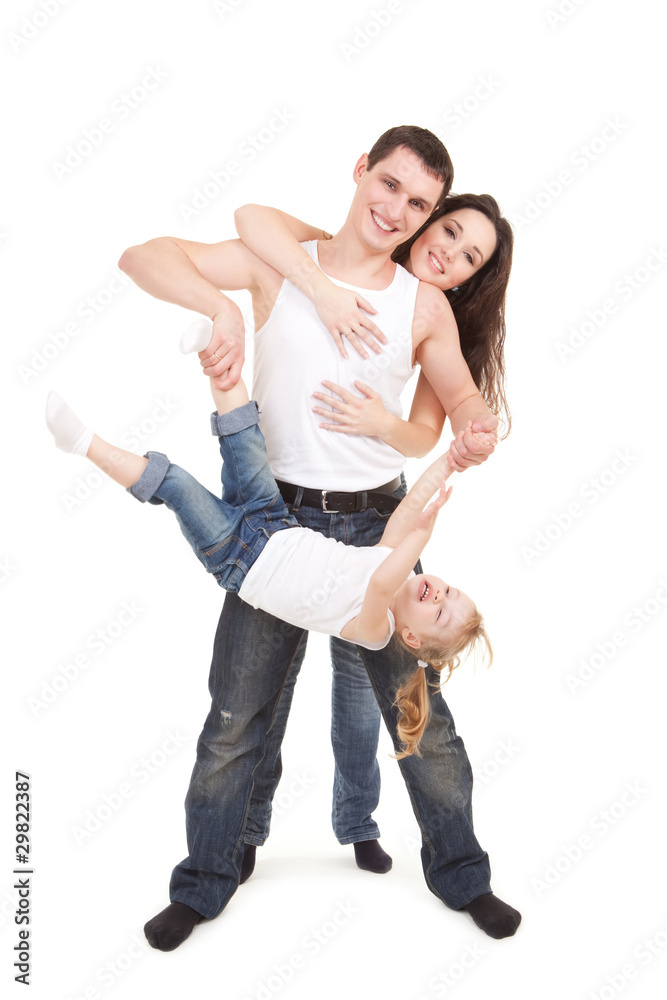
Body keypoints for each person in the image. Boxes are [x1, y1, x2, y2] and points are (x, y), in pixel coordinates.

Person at [117, 125, 521, 949]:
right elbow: (142, 255)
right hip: (275, 525)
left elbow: (456, 397)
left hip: (376, 529)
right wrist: (218, 303)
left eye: (420, 205)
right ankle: (206, 880)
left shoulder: (423, 303)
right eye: (392, 187)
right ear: (361, 170)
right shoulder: (280, 262)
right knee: (236, 718)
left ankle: (462, 875)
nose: (398, 211)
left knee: (420, 721)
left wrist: (476, 430)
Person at [45, 326, 492, 760]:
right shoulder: (387, 557)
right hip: (277, 523)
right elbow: (409, 508)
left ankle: (83, 443)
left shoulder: (377, 630)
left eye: (439, 610)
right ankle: (211, 350)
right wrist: (448, 464)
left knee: (176, 484)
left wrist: (422, 537)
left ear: (412, 636)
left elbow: (380, 583)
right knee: (245, 441)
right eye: (449, 592)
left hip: (240, 558)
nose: (439, 594)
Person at [233, 192, 513, 873]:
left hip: (377, 515)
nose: (447, 251)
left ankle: (399, 843)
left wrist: (467, 423)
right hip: (284, 508)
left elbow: (443, 410)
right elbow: (253, 222)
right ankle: (239, 838)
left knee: (392, 702)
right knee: (256, 698)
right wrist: (317, 289)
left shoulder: (428, 309)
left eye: (467, 256)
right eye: (448, 230)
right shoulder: (340, 252)